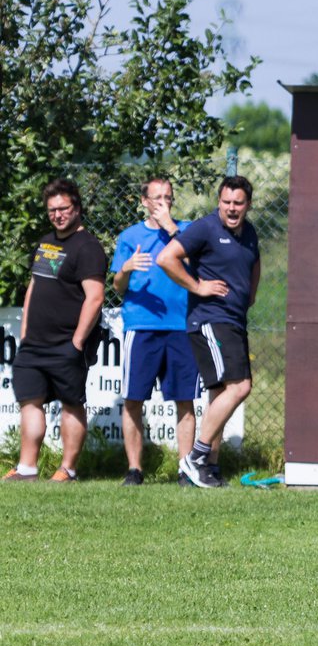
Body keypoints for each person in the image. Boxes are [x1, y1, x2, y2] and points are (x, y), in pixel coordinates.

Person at [157, 175, 260, 489]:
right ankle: (195, 458)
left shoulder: (250, 233)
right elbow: (166, 258)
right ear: (219, 202)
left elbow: (254, 265)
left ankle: (208, 469)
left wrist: (249, 296)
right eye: (226, 202)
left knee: (220, 393)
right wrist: (197, 286)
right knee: (241, 386)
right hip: (211, 319)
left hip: (234, 319)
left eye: (238, 203)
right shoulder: (205, 228)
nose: (231, 208)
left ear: (247, 205)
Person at [4, 179, 107, 482]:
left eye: (63, 208)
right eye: (52, 210)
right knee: (30, 401)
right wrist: (25, 331)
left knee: (72, 403)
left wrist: (77, 343)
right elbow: (35, 286)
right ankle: (27, 468)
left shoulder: (87, 247)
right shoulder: (46, 243)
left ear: (77, 207)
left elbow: (96, 297)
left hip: (66, 344)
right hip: (34, 344)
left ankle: (68, 470)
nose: (58, 214)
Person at [110, 176, 200, 486]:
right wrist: (126, 268)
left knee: (184, 400)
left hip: (180, 326)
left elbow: (198, 266)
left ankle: (185, 469)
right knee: (134, 399)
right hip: (142, 326)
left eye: (168, 197)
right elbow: (117, 287)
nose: (163, 202)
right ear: (144, 202)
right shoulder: (129, 237)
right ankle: (135, 469)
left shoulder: (186, 231)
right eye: (157, 197)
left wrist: (171, 228)